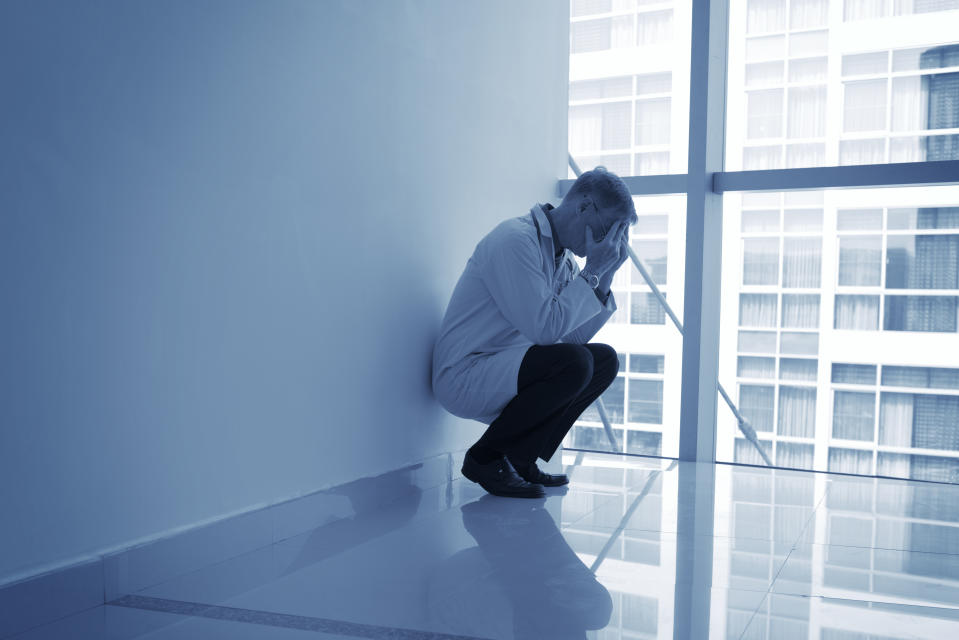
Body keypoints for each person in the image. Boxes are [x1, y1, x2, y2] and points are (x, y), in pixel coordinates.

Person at [432, 166, 637, 498]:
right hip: (465, 373)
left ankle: (519, 457)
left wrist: (606, 274)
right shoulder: (516, 241)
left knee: (602, 361)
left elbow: (569, 339)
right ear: (584, 206)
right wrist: (595, 270)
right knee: (575, 363)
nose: (606, 242)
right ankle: (484, 458)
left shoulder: (563, 261)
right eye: (606, 230)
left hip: (505, 366)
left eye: (615, 236)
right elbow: (546, 330)